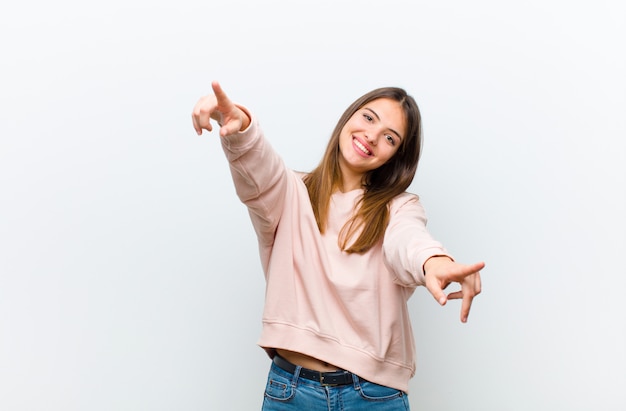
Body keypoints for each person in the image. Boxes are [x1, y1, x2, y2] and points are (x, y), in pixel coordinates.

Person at [191, 81, 484, 410]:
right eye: (369, 118)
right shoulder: (289, 193)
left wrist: (436, 263)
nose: (372, 136)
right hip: (291, 392)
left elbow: (409, 240)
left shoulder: (399, 208)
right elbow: (258, 166)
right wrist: (240, 127)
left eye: (390, 137)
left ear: (396, 157)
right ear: (349, 117)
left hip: (374, 397)